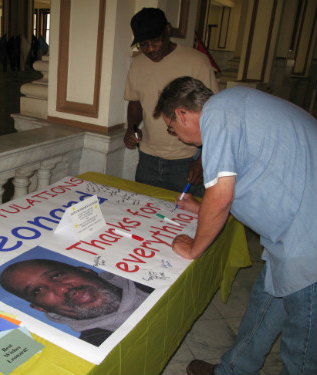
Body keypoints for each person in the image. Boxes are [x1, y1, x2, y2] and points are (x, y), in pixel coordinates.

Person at [153, 76, 317, 375]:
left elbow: (222, 195)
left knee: (303, 353)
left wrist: (194, 247)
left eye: (171, 127)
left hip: (309, 247)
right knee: (263, 309)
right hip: (292, 235)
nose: (175, 134)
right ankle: (233, 370)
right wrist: (203, 207)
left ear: (181, 114)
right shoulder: (236, 103)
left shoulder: (218, 115)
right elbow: (259, 170)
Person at [124, 7, 219, 197]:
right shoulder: (137, 65)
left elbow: (214, 113)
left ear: (168, 30)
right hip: (148, 159)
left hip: (187, 160)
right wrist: (131, 128)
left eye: (155, 41)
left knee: (186, 220)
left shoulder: (196, 61)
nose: (150, 49)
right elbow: (135, 102)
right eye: (143, 44)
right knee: (145, 214)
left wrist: (202, 160)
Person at [0, 258, 153, 346]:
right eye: (37, 291)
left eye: (56, 275)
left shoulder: (149, 271)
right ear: (39, 308)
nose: (61, 289)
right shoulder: (95, 346)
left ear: (86, 270)